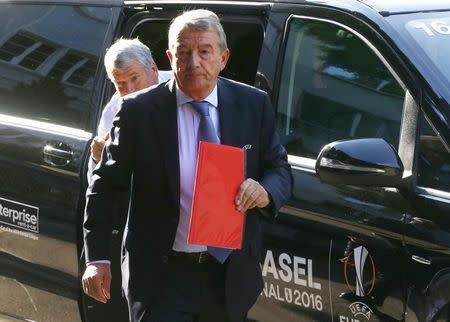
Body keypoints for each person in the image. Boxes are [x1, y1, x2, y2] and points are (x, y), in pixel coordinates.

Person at [82, 9, 292, 322]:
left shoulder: (252, 104)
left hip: (227, 276)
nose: (194, 62)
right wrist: (97, 258)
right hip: (161, 277)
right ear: (170, 57)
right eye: (183, 52)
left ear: (223, 57)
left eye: (205, 51)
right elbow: (105, 186)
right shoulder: (139, 111)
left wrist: (265, 192)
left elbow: (279, 169)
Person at [90, 38, 160, 163]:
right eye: (121, 84)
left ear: (153, 70)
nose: (130, 90)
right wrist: (98, 159)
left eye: (134, 78)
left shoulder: (185, 87)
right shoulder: (113, 112)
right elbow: (95, 180)